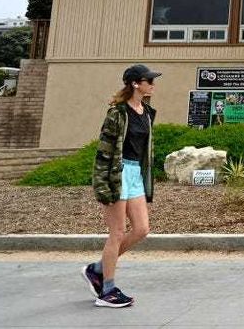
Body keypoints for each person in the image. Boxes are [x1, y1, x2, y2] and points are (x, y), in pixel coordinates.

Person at [82, 64, 161, 308]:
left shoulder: (146, 112)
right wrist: (102, 185)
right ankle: (107, 290)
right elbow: (103, 152)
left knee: (141, 230)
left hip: (135, 173)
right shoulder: (117, 113)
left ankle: (97, 269)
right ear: (136, 83)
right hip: (118, 173)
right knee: (117, 232)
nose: (153, 84)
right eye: (149, 80)